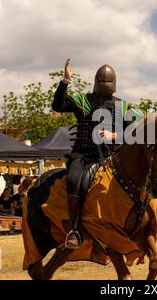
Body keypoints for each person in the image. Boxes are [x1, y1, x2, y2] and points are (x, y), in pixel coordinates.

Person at [52, 58, 138, 249]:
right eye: (103, 82)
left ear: (114, 84)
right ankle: (74, 230)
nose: (106, 85)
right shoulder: (83, 101)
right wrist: (65, 81)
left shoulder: (122, 106)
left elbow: (133, 134)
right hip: (82, 156)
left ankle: (137, 223)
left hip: (112, 158)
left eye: (109, 82)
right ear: (96, 82)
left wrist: (113, 134)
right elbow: (57, 106)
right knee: (74, 179)